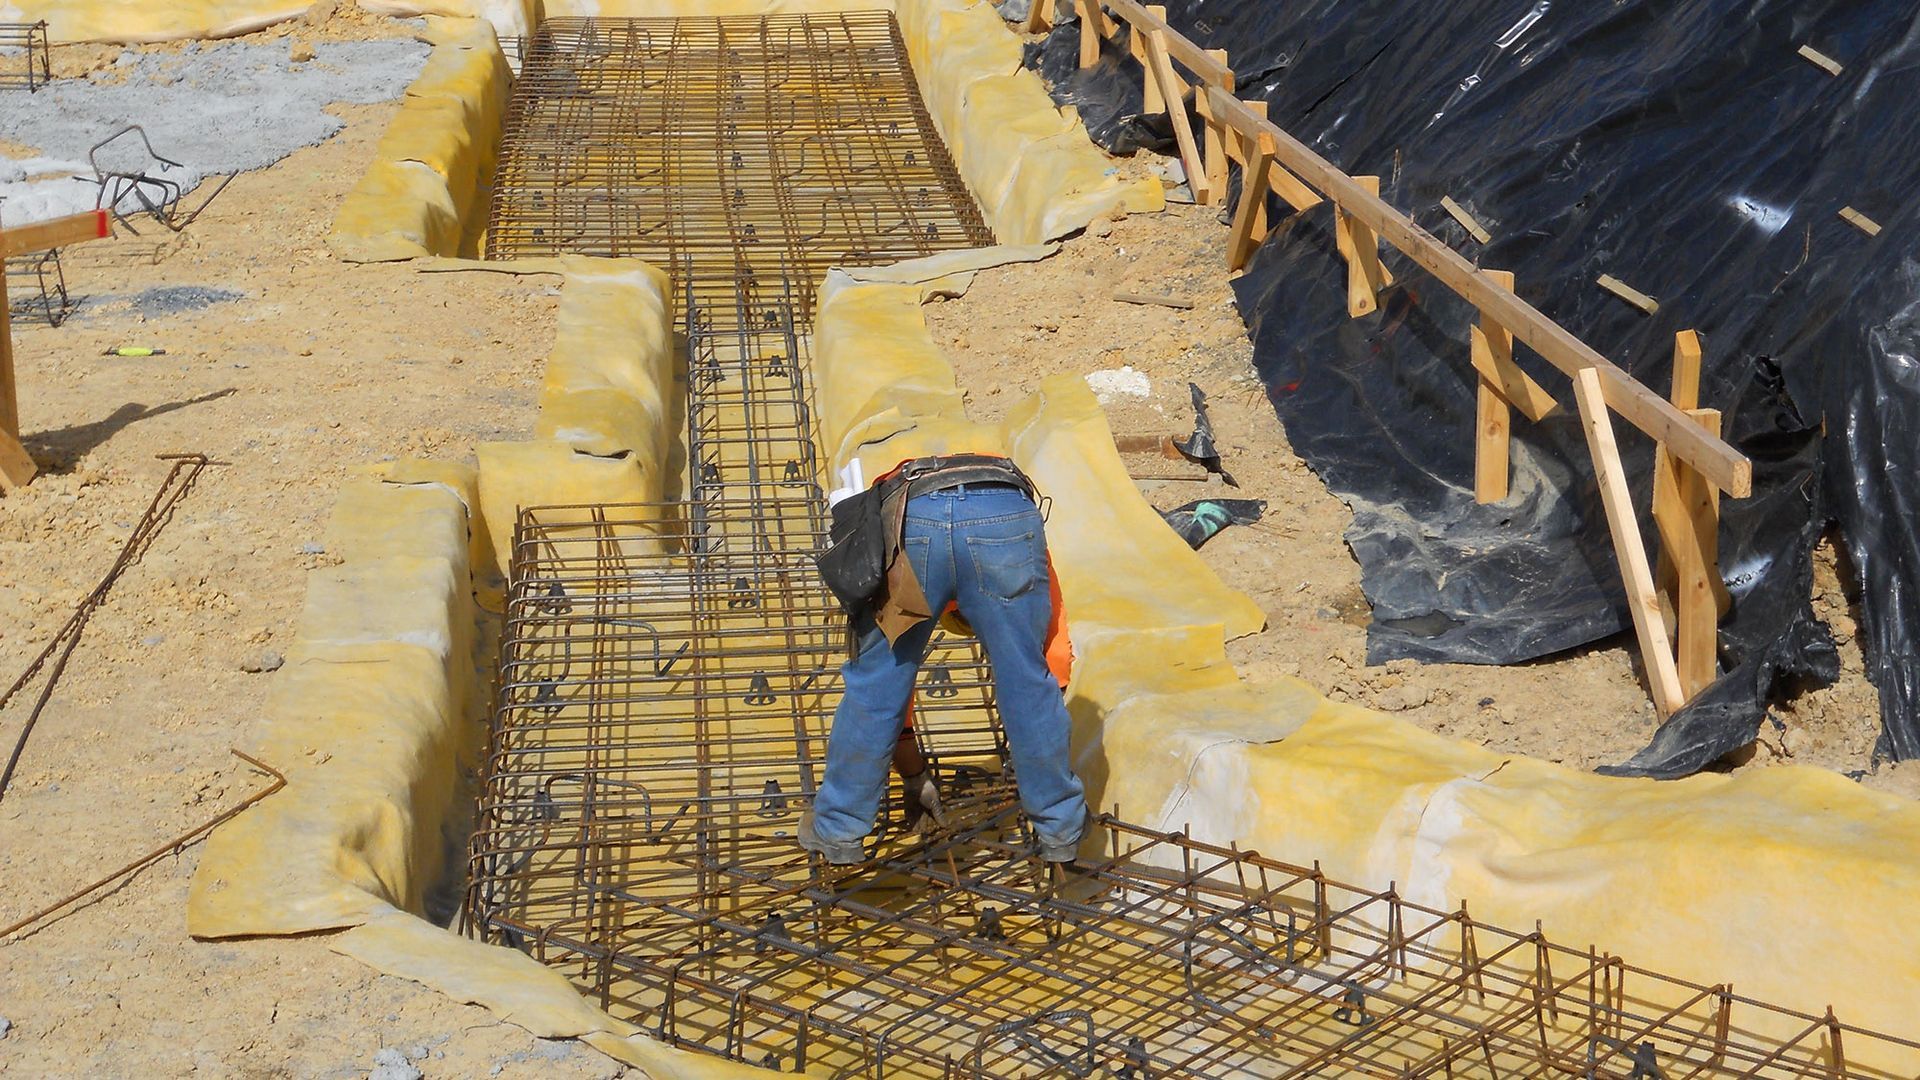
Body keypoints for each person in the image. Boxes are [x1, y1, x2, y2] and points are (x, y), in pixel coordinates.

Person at [800, 445, 1089, 866]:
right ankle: (1060, 828)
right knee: (1027, 681)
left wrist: (913, 772)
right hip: (1004, 516)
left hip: (911, 518)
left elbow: (885, 692)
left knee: (877, 680)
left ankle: (839, 828)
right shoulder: (1030, 564)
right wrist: (914, 776)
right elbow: (1051, 668)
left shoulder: (913, 568)